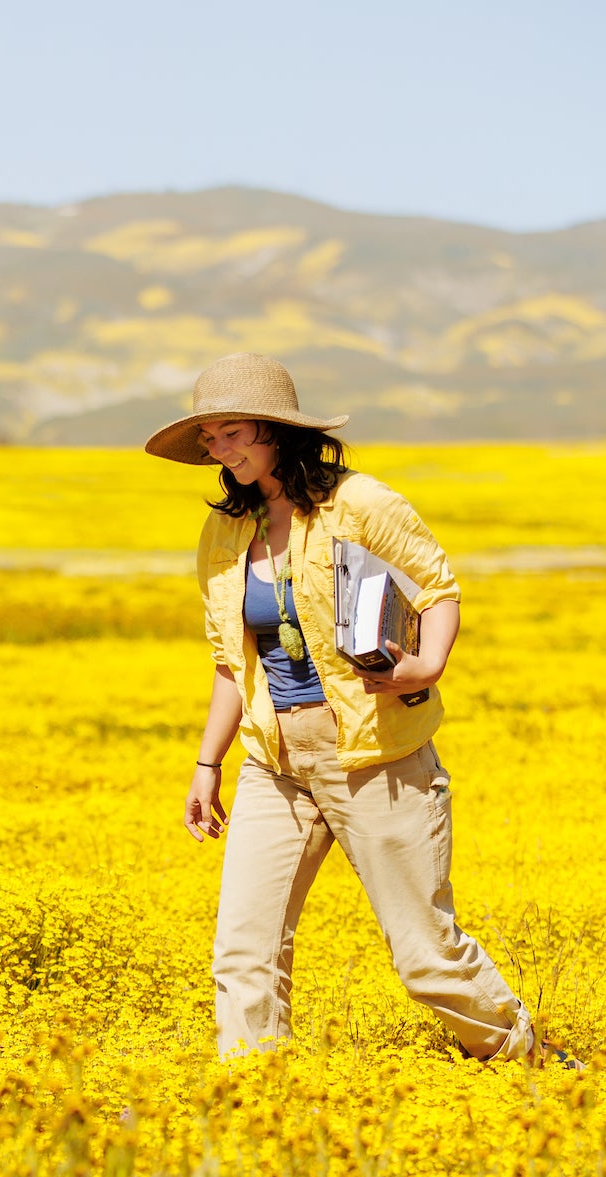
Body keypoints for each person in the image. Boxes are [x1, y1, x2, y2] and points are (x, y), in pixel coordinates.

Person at [146, 352, 536, 1061]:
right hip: (274, 761)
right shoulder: (224, 534)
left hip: (373, 753)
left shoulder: (361, 504)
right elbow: (230, 661)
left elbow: (437, 588)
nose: (220, 450)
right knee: (243, 954)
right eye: (211, 440)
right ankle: (259, 1105)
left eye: (231, 432)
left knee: (426, 960)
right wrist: (208, 761)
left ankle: (524, 1056)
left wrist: (428, 661)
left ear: (274, 429)